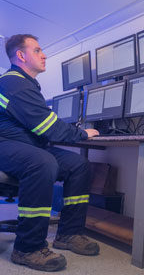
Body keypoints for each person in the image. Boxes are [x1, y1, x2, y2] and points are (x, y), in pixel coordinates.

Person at [0, 34, 100, 271]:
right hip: (4, 144)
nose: (43, 55)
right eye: (37, 50)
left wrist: (74, 132)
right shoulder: (13, 82)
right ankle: (27, 248)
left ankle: (69, 234)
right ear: (21, 55)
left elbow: (43, 127)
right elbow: (47, 127)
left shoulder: (27, 83)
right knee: (42, 162)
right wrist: (83, 134)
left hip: (25, 145)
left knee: (78, 165)